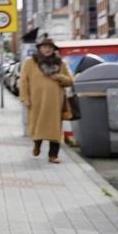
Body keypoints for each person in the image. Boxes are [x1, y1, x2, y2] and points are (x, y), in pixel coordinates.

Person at [19, 36, 74, 164]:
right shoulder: (30, 62)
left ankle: (53, 155)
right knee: (37, 125)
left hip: (55, 102)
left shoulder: (60, 63)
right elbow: (23, 81)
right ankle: (37, 145)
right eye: (44, 47)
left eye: (50, 47)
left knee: (55, 129)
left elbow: (70, 80)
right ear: (39, 48)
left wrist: (59, 77)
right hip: (36, 101)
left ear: (53, 49)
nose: (47, 49)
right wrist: (24, 97)